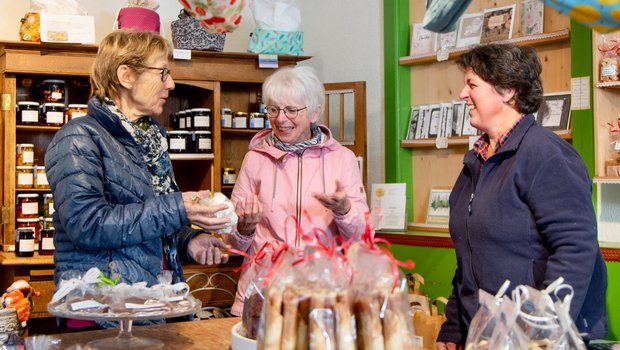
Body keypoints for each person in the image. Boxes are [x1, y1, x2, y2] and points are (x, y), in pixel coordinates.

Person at [45, 30, 231, 328]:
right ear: (126, 75)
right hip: (101, 310)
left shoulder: (152, 139)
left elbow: (152, 222)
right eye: (163, 72)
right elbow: (87, 225)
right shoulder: (78, 138)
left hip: (149, 304)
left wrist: (189, 240)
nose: (170, 83)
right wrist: (179, 207)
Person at [436, 43, 608, 349]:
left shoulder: (547, 156)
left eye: (472, 84)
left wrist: (539, 332)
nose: (463, 94)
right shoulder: (474, 161)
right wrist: (454, 325)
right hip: (487, 335)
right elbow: (469, 256)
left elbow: (575, 249)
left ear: (507, 92)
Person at [226, 65, 369, 316]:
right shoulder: (254, 159)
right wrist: (243, 228)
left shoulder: (342, 159)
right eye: (273, 109)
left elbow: (361, 237)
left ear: (315, 112)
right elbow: (232, 243)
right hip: (263, 292)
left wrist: (345, 211)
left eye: (291, 110)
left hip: (324, 295)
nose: (281, 119)